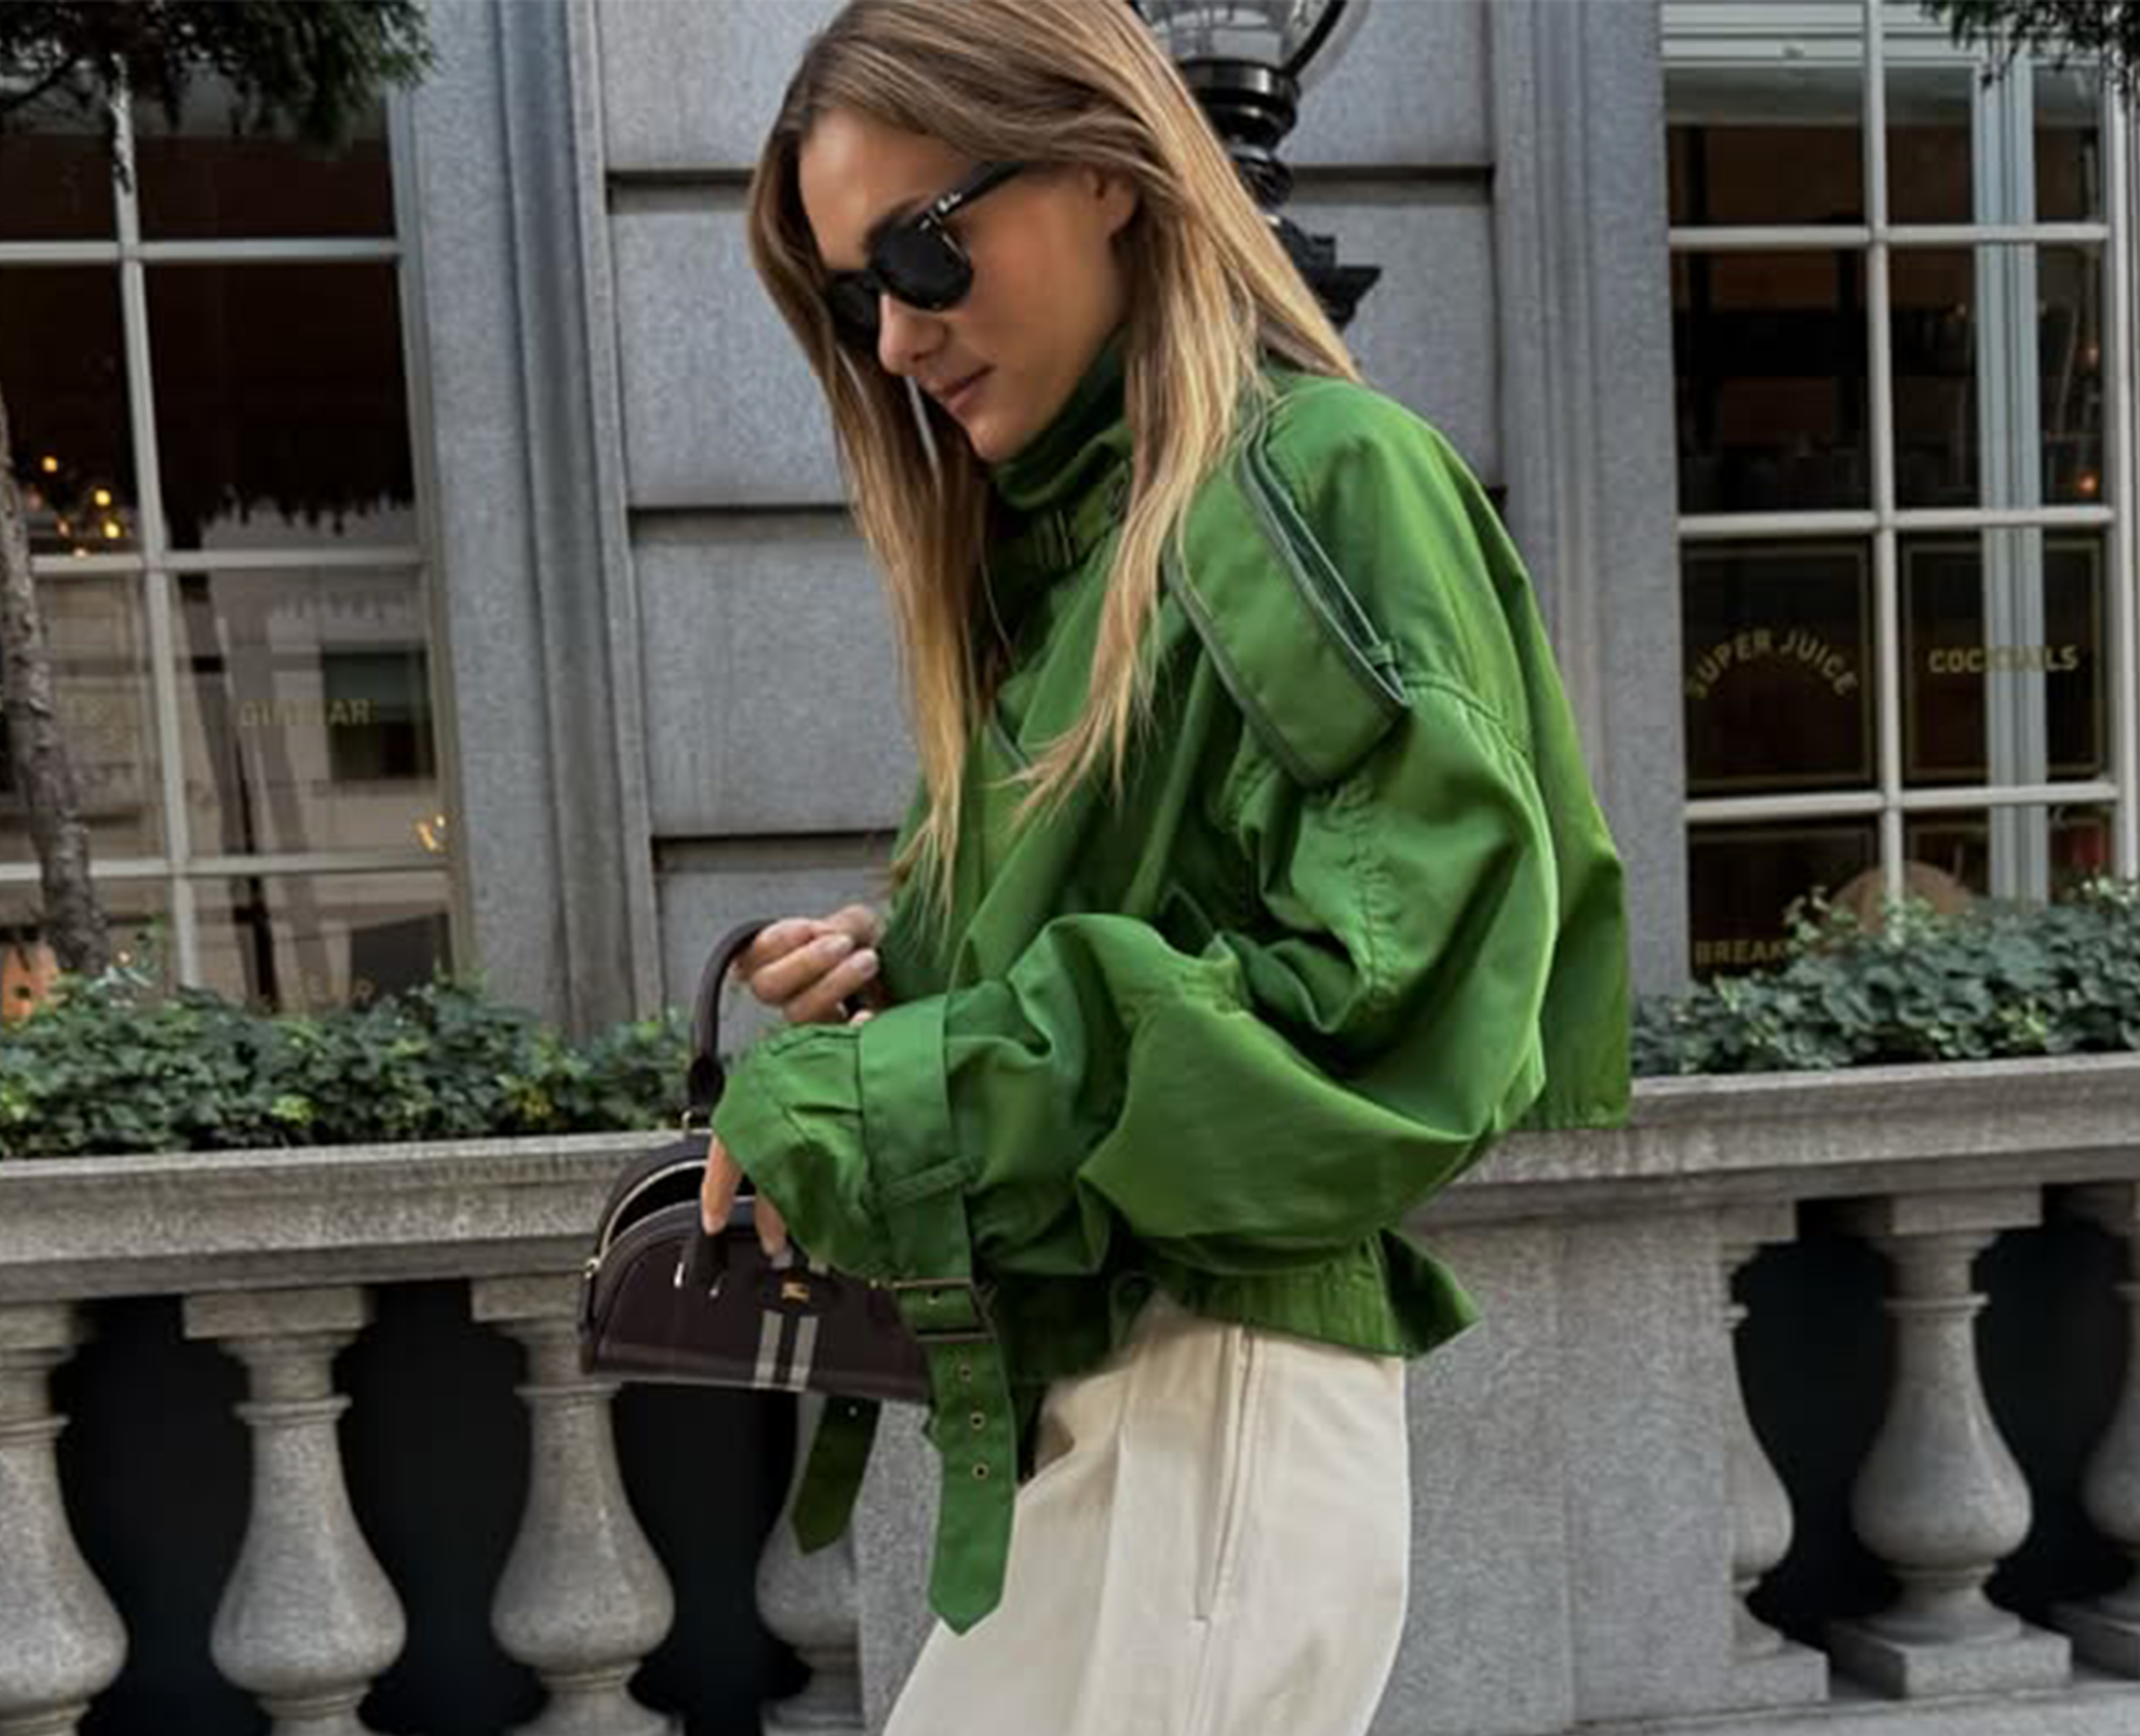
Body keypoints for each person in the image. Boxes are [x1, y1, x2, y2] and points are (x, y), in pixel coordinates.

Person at [694, 1, 1633, 1729]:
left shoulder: (1305, 485)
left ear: (1104, 169)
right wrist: (900, 971)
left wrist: (899, 1098)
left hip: (1214, 1408)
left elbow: (1388, 1014)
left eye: (920, 249)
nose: (896, 336)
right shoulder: (1077, 555)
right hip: (1120, 1405)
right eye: (855, 292)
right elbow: (1180, 947)